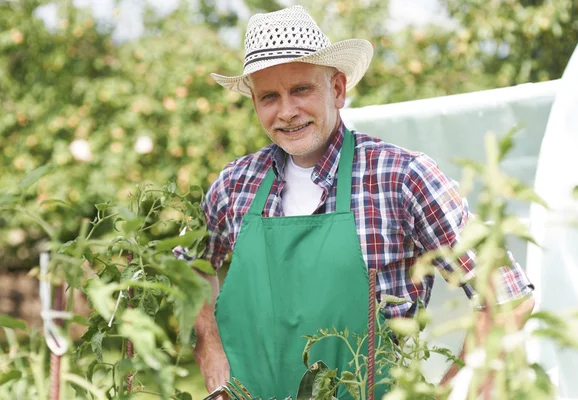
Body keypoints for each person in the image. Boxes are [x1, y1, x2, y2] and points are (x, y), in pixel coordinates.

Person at [178, 5, 535, 399]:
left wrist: (444, 392)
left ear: (337, 88)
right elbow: (189, 267)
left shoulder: (401, 177)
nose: (287, 111)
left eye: (301, 89)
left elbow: (507, 296)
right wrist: (208, 346)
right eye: (269, 97)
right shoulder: (235, 184)